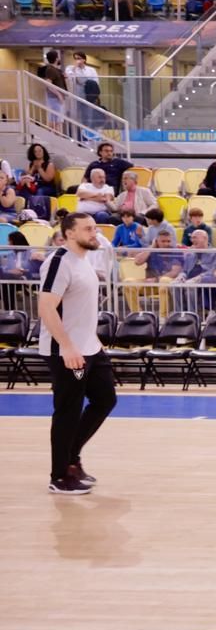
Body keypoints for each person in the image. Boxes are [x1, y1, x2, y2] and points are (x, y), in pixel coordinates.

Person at [37, 212, 117, 495]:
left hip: (89, 349)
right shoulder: (59, 263)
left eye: (94, 228)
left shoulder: (84, 261)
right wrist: (68, 346)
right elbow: (46, 307)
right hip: (66, 351)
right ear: (70, 233)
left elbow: (80, 309)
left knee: (105, 399)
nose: (94, 233)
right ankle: (59, 475)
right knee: (68, 411)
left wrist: (92, 340)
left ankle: (72, 457)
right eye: (88, 229)